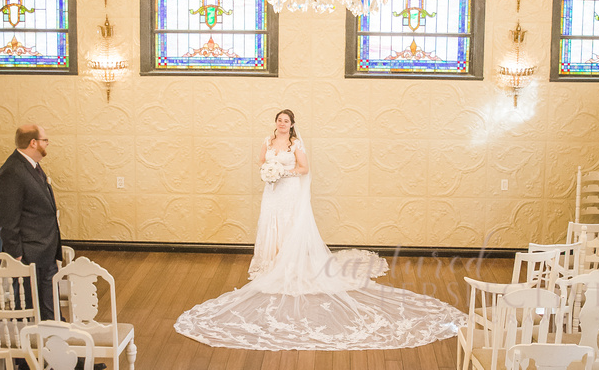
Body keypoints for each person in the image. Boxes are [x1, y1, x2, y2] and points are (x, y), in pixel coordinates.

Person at [175, 108, 465, 351]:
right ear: (275, 122)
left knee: (289, 227)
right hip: (272, 193)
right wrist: (268, 170)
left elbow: (304, 169)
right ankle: (271, 263)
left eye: (286, 121)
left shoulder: (296, 144)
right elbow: (260, 162)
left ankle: (291, 264)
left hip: (288, 191)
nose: (282, 123)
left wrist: (283, 171)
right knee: (270, 225)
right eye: (279, 119)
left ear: (291, 124)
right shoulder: (267, 140)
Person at [0, 124, 62, 320]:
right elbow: (7, 217)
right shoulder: (13, 171)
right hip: (29, 252)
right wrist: (15, 254)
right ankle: (35, 344)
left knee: (48, 305)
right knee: (31, 307)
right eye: (45, 140)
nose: (47, 144)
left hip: (43, 248)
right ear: (33, 143)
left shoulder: (31, 165)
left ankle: (53, 338)